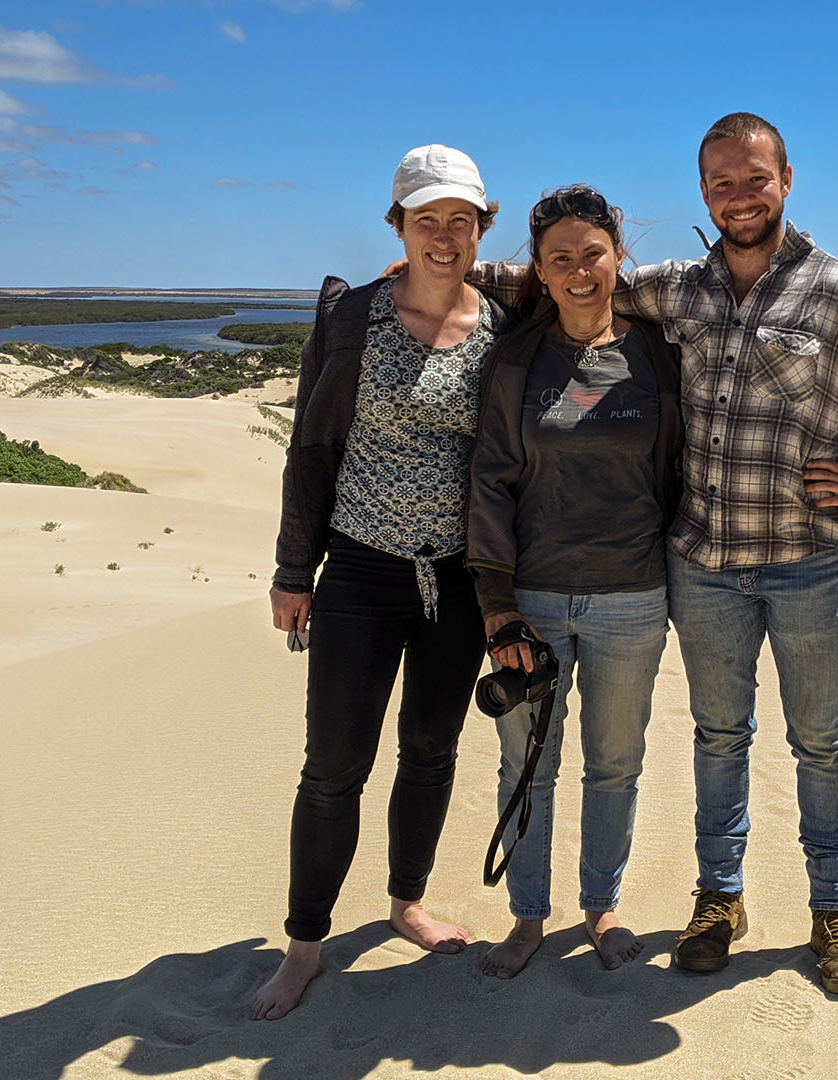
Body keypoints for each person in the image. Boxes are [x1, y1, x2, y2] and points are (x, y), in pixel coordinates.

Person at [476, 114, 838, 993]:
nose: (739, 198)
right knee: (718, 738)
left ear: (787, 179)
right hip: (703, 565)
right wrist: (440, 269)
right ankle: (720, 899)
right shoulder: (679, 288)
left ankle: (835, 911)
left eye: (754, 180)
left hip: (811, 563)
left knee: (820, 742)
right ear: (702, 191)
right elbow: (570, 274)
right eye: (721, 184)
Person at [249, 144, 513, 1021]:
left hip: (458, 582)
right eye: (426, 218)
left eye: (461, 220)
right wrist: (296, 570)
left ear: (483, 227)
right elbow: (313, 447)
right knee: (333, 768)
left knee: (431, 753)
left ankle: (406, 903)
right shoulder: (353, 316)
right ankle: (304, 946)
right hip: (360, 571)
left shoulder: (505, 323)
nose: (445, 236)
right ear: (397, 225)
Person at [463, 185, 683, 979]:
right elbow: (488, 481)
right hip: (534, 602)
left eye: (593, 253)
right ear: (542, 272)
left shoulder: (658, 350)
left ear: (619, 256)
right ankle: (527, 917)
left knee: (616, 762)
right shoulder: (518, 359)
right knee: (527, 764)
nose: (580, 271)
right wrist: (497, 606)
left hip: (634, 595)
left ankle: (602, 904)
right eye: (561, 259)